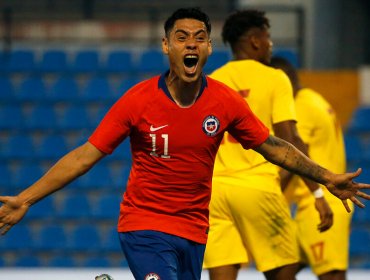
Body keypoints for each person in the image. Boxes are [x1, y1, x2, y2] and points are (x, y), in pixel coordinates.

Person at [0, 7, 368, 280]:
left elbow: (273, 146)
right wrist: (24, 199)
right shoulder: (138, 101)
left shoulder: (224, 102)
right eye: (181, 37)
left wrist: (325, 178)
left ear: (208, 48)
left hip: (194, 229)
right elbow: (84, 156)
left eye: (199, 38)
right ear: (166, 46)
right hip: (144, 225)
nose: (190, 44)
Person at [203, 9, 334, 280]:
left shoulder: (212, 81)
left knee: (223, 269)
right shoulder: (275, 78)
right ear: (254, 41)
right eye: (268, 37)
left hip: (215, 192)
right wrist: (318, 193)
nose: (271, 44)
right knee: (286, 266)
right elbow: (290, 140)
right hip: (257, 186)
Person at [270, 56, 353, 280]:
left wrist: (269, 197)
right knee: (281, 270)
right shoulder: (314, 98)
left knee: (332, 275)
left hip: (320, 202)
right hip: (312, 204)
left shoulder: (299, 107)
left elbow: (294, 156)